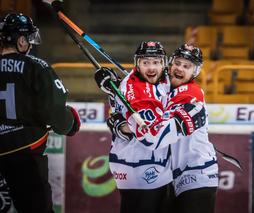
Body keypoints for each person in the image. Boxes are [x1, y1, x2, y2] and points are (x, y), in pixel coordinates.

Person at [95, 41, 206, 213]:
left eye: (156, 62)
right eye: (145, 62)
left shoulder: (164, 82)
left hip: (157, 169)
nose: (151, 68)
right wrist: (120, 122)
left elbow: (120, 116)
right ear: (137, 64)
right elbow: (150, 135)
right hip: (140, 168)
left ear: (164, 64)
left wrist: (114, 92)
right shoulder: (136, 89)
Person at [0, 13, 81, 213]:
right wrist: (70, 123)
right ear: (21, 40)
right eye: (28, 39)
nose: (30, 44)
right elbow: (53, 109)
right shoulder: (37, 66)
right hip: (25, 151)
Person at [167, 44, 218, 213]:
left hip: (197, 173)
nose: (180, 68)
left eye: (186, 66)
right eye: (177, 63)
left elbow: (160, 121)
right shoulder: (164, 89)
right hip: (175, 174)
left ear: (194, 72)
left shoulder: (192, 92)